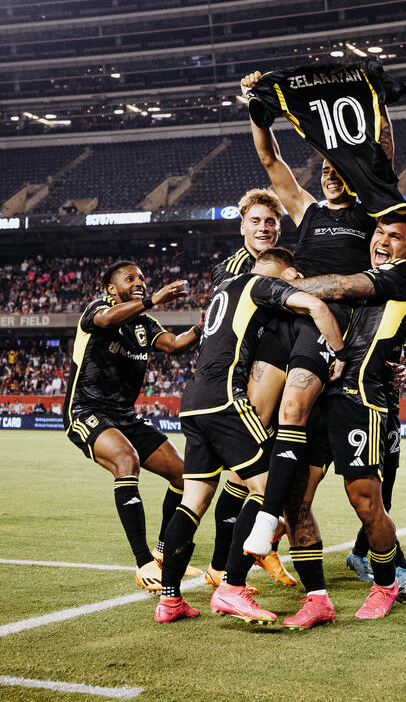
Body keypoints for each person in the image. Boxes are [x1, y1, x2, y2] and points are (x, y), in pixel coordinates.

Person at [240, 68, 399, 559]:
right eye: (324, 170)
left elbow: (383, 156)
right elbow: (269, 158)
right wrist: (256, 109)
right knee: (249, 427)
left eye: (338, 170)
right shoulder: (306, 209)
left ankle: (269, 527)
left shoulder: (367, 213)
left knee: (294, 416)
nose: (330, 174)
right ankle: (235, 547)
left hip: (331, 327)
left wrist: (376, 103)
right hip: (289, 322)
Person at [154, 247, 346, 625]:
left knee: (192, 501)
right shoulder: (261, 284)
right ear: (284, 274)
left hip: (192, 402)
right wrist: (340, 354)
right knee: (270, 485)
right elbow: (318, 308)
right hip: (226, 400)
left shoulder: (224, 288)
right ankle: (233, 588)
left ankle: (170, 600)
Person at [268, 213, 406, 625]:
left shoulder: (402, 275)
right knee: (295, 499)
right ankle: (317, 599)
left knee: (366, 502)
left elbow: (336, 286)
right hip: (322, 391)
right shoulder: (365, 272)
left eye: (395, 237)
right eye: (379, 233)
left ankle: (386, 585)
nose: (384, 242)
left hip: (360, 398)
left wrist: (277, 288)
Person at [64, 261, 201, 594]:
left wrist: (203, 325)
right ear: (112, 289)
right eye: (130, 278)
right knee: (127, 462)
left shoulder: (145, 324)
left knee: (185, 475)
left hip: (125, 414)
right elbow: (107, 321)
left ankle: (164, 554)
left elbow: (175, 345)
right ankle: (143, 563)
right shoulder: (98, 308)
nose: (139, 281)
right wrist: (154, 299)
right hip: (87, 411)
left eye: (141, 278)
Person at [204, 188, 296, 590]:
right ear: (242, 225)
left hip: (273, 375)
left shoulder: (277, 263)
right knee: (245, 477)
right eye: (256, 221)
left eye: (271, 221)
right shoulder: (236, 267)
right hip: (241, 382)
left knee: (274, 474)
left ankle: (253, 550)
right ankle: (221, 564)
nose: (264, 228)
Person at [346, 295, 406, 598]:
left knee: (384, 494)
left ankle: (359, 554)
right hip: (347, 398)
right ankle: (397, 566)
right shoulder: (356, 290)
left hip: (387, 405)